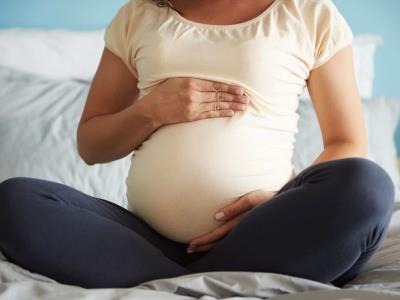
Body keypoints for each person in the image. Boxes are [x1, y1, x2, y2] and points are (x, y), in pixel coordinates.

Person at [0, 0, 395, 290]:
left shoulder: (309, 13)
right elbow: (92, 145)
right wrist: (152, 110)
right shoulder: (140, 15)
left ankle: (172, 285)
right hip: (143, 241)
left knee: (367, 185)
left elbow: (346, 141)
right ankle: (211, 282)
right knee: (14, 201)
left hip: (265, 231)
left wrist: (276, 201)